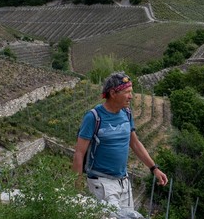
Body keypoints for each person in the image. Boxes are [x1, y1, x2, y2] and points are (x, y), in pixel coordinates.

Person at [72, 71, 168, 211]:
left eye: (131, 92)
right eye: (127, 92)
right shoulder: (94, 117)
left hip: (123, 182)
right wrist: (77, 187)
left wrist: (154, 168)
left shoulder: (127, 113)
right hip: (102, 183)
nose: (131, 96)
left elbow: (134, 143)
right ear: (113, 93)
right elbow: (79, 153)